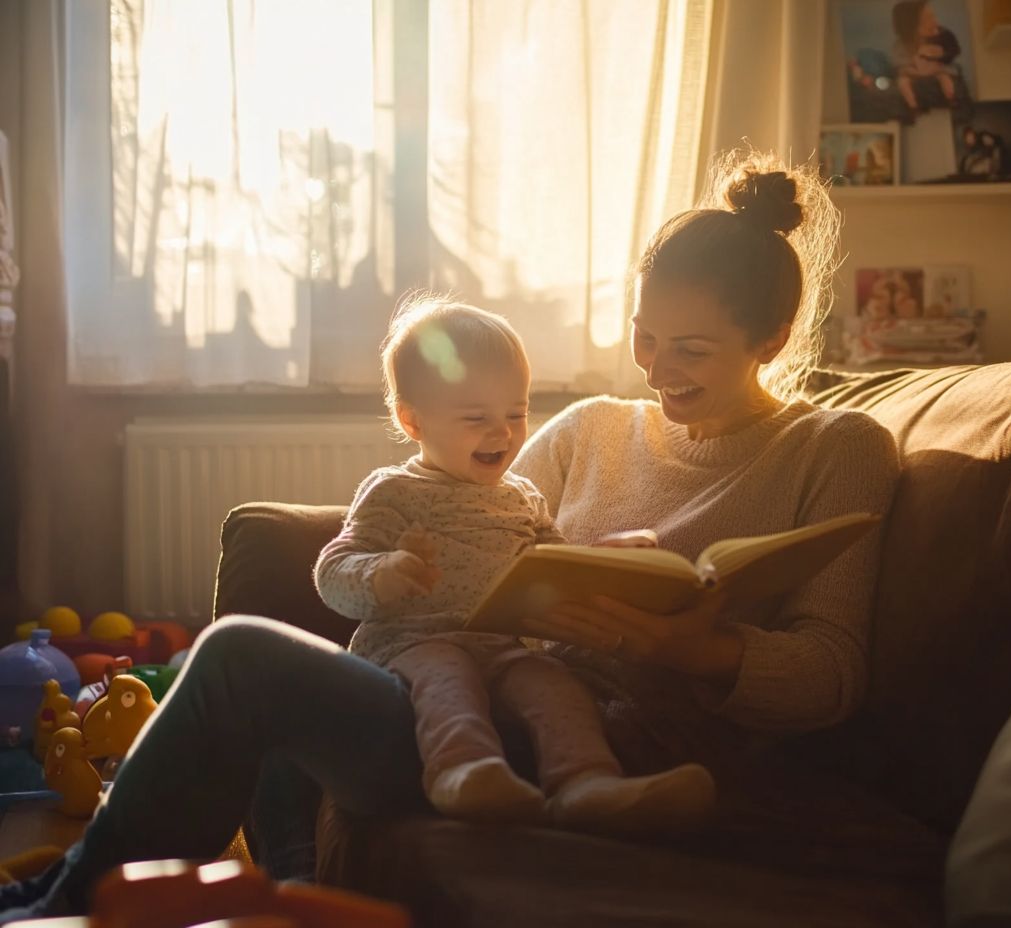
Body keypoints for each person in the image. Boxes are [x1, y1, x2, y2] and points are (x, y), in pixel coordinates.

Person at [0, 150, 898, 922]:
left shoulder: (837, 450)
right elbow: (460, 506)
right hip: (468, 708)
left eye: (691, 351)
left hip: (613, 742)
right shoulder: (592, 429)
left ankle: (66, 911)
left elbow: (834, 673)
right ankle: (93, 906)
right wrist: (398, 567)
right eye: (645, 337)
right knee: (254, 661)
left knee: (241, 662)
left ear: (773, 338)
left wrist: (698, 649)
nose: (657, 370)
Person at [314, 296, 714, 829]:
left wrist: (604, 556)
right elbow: (332, 570)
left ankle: (587, 783)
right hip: (412, 646)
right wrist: (381, 573)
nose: (502, 434)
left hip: (503, 647)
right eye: (476, 418)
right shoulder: (395, 491)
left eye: (516, 414)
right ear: (413, 421)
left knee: (555, 685)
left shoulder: (522, 495)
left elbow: (555, 563)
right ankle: (464, 772)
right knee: (447, 678)